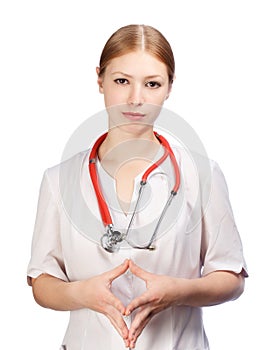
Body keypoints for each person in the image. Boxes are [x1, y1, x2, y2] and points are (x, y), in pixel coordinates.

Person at [27, 24, 248, 350]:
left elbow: (231, 276)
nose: (135, 99)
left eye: (152, 84)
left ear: (170, 87)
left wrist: (179, 291)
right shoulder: (59, 179)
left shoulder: (202, 174)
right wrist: (81, 294)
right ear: (99, 79)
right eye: (121, 81)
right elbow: (42, 280)